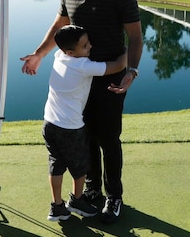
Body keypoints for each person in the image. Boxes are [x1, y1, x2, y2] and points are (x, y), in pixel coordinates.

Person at [21, 0, 143, 223]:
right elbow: (59, 28)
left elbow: (135, 37)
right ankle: (92, 190)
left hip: (111, 76)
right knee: (84, 136)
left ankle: (114, 196)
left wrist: (131, 71)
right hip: (79, 80)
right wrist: (39, 55)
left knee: (108, 138)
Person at [42, 25, 127, 221]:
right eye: (85, 45)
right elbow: (118, 66)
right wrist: (125, 50)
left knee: (56, 164)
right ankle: (77, 201)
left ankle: (57, 207)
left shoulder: (59, 56)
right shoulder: (83, 66)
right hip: (70, 127)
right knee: (80, 166)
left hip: (49, 123)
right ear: (71, 52)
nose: (90, 46)